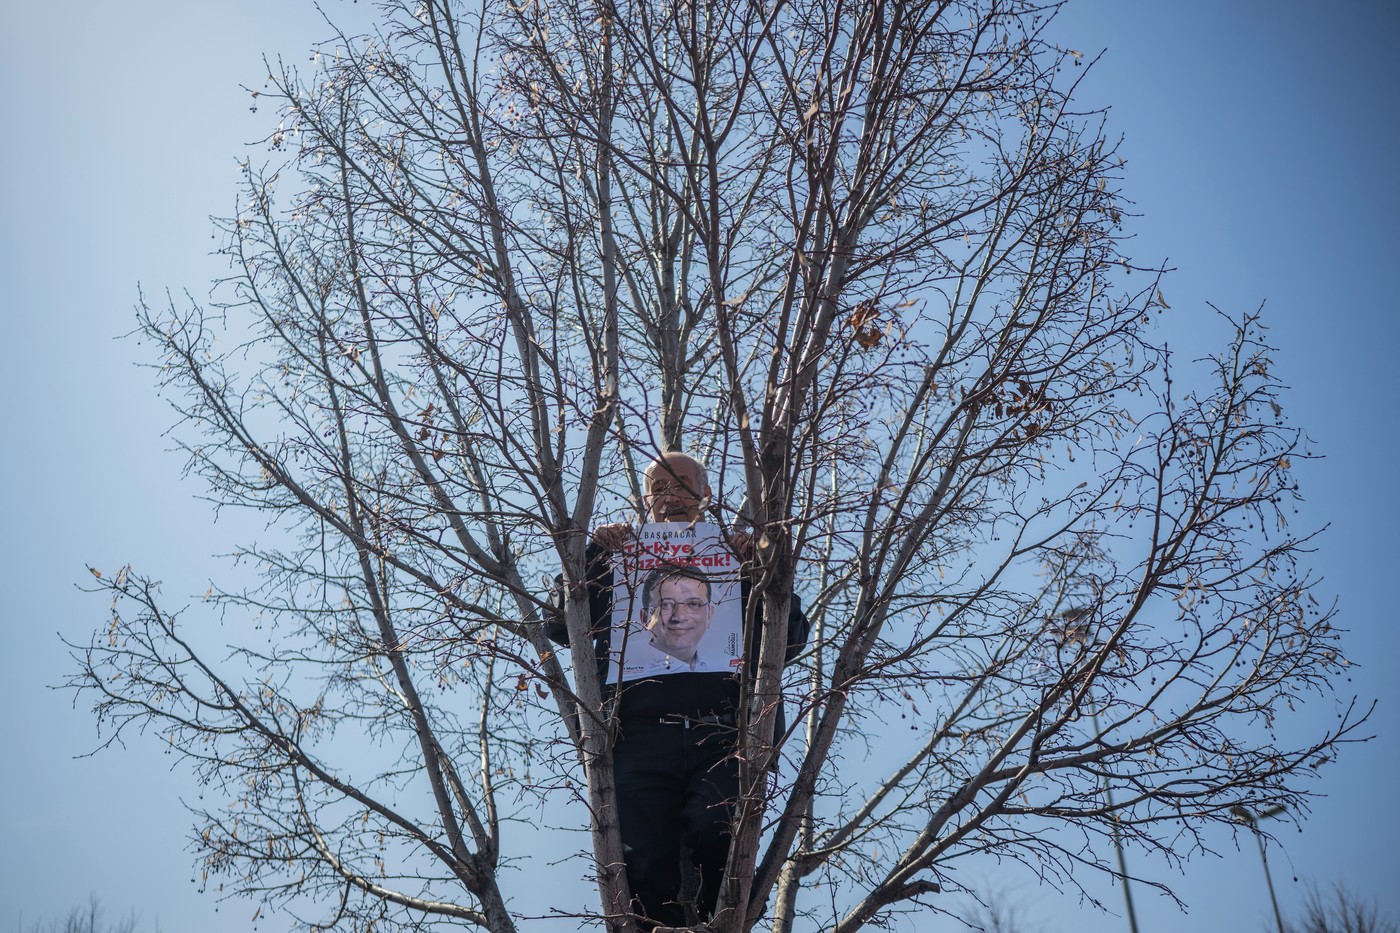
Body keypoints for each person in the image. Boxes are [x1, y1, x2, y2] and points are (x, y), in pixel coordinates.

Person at [546, 451, 808, 929]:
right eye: (659, 488)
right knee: (638, 860)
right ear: (645, 500)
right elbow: (561, 625)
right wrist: (591, 559)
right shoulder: (617, 559)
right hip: (638, 737)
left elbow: (789, 641)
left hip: (727, 734)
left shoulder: (738, 557)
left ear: (705, 495)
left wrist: (762, 572)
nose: (670, 497)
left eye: (682, 485)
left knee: (720, 830)